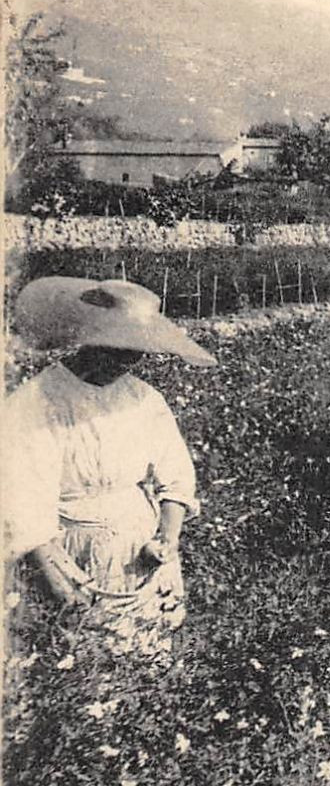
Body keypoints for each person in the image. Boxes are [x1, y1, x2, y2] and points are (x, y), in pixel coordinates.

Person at [4, 277, 216, 662]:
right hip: (72, 554)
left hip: (143, 552)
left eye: (135, 354)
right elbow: (21, 501)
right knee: (84, 664)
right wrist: (57, 575)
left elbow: (175, 475)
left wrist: (167, 539)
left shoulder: (142, 399)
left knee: (151, 664)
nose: (126, 363)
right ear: (92, 340)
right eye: (118, 351)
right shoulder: (38, 401)